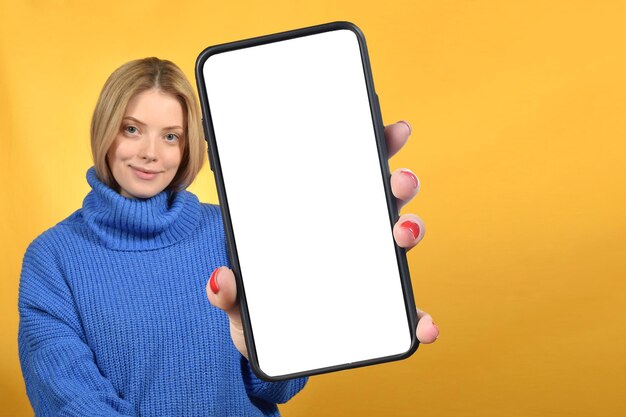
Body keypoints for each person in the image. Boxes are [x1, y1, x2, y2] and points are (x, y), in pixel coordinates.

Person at [17, 57, 439, 417]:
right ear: (105, 129)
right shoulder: (52, 259)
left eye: (170, 136)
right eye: (131, 129)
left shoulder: (234, 229)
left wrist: (325, 310)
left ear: (190, 148)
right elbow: (69, 400)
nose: (150, 152)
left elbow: (279, 389)